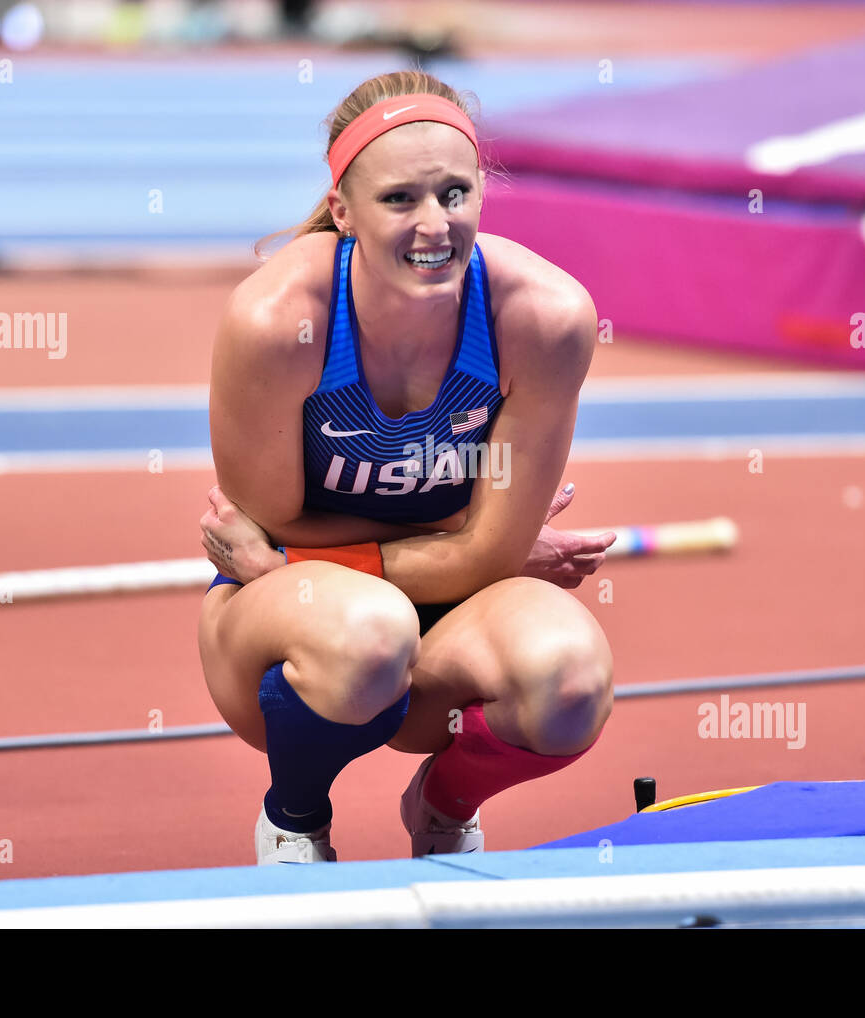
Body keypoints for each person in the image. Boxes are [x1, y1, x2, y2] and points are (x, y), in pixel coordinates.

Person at [197, 69, 615, 864]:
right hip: (297, 641)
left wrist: (299, 557)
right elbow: (267, 526)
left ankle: (442, 805)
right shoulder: (279, 321)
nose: (436, 225)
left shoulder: (545, 319)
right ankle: (295, 817)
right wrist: (465, 531)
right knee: (367, 631)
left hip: (429, 614)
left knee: (571, 681)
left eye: (455, 194)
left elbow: (288, 549)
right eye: (400, 200)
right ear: (343, 211)